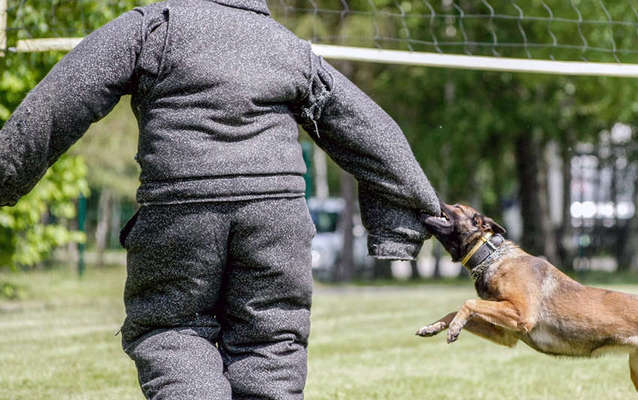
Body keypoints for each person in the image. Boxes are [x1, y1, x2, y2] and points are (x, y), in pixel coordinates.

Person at [0, 0, 440, 398]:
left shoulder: (153, 27)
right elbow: (373, 132)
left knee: (174, 335)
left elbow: (58, 101)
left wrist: (6, 174)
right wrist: (401, 225)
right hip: (276, 215)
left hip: (181, 209)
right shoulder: (287, 46)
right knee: (271, 352)